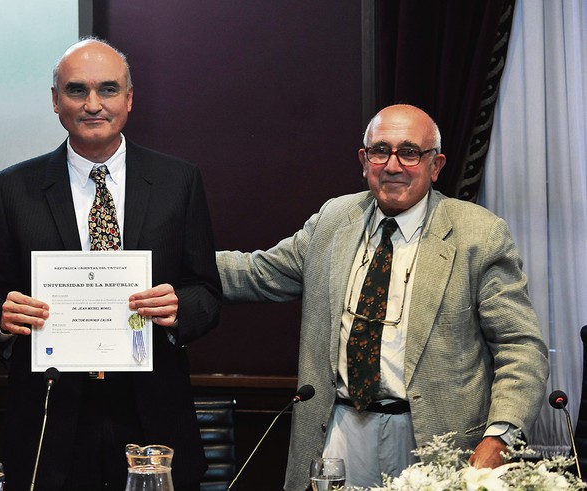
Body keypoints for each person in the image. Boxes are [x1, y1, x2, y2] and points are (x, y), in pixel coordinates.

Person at [217, 104, 549, 489]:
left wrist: (499, 437)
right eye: (380, 151)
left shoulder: (478, 234)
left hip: (435, 442)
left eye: (409, 152)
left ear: (435, 165)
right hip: (338, 431)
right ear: (364, 160)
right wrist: (164, 260)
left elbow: (520, 346)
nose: (393, 165)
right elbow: (257, 272)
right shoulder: (334, 219)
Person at [0, 38, 221, 490]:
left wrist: (180, 307)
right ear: (55, 100)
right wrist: (2, 318)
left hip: (151, 413)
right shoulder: (11, 189)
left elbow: (206, 290)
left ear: (129, 98)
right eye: (76, 90)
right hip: (52, 415)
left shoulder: (177, 181)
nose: (92, 105)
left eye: (107, 89)